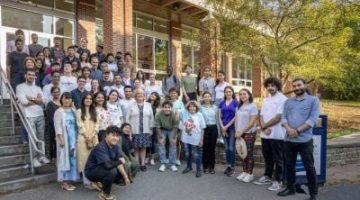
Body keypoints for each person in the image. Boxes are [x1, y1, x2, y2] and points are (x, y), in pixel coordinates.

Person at [278, 78, 320, 200]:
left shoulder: (313, 100)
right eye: (294, 86)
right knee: (290, 166)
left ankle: (313, 194)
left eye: (299, 85)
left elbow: (312, 120)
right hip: (289, 140)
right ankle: (290, 188)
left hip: (305, 140)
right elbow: (283, 118)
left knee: (309, 167)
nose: (296, 88)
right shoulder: (288, 102)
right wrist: (289, 129)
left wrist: (297, 130)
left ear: (305, 85)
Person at [254, 77, 287, 191]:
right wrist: (263, 127)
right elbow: (261, 115)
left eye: (273, 85)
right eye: (268, 86)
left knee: (278, 158)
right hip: (265, 134)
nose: (270, 88)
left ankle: (278, 180)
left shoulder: (283, 99)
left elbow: (278, 118)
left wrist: (264, 126)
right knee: (267, 157)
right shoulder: (266, 99)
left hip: (277, 134)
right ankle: (267, 176)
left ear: (277, 86)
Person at [85, 126, 131, 200]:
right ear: (106, 135)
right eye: (113, 135)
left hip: (100, 168)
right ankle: (104, 194)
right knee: (112, 171)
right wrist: (120, 161)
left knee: (119, 170)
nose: (115, 138)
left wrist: (125, 177)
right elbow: (108, 165)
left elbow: (118, 163)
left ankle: (98, 182)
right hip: (90, 172)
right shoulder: (101, 147)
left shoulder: (115, 147)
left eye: (117, 136)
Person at [16, 69, 49, 166]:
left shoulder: (38, 88)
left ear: (35, 77)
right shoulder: (20, 87)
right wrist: (36, 100)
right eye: (29, 74)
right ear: (25, 76)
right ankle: (34, 158)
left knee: (41, 137)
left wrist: (31, 98)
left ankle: (41, 156)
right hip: (29, 115)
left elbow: (43, 100)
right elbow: (24, 102)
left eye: (33, 75)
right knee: (33, 137)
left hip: (40, 114)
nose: (31, 76)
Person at [54, 92, 79, 191]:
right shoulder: (59, 111)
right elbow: (57, 126)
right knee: (64, 159)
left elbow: (78, 122)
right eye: (65, 98)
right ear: (62, 99)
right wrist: (61, 139)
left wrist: (74, 107)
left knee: (72, 159)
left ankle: (69, 180)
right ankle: (64, 182)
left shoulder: (73, 110)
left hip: (73, 138)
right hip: (64, 138)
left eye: (69, 98)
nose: (67, 100)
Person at [126, 89, 154, 172]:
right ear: (135, 96)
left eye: (141, 94)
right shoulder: (131, 105)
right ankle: (136, 164)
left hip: (145, 129)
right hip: (134, 129)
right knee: (136, 148)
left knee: (143, 147)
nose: (140, 95)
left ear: (144, 96)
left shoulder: (148, 105)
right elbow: (127, 117)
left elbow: (151, 117)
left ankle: (142, 164)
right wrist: (128, 129)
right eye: (138, 94)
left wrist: (151, 128)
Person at [234, 89, 258, 183]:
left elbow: (252, 122)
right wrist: (237, 131)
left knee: (249, 153)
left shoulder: (253, 106)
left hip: (249, 133)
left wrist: (242, 131)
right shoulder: (239, 106)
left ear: (249, 95)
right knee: (242, 153)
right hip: (240, 133)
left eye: (244, 94)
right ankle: (244, 171)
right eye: (240, 94)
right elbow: (236, 119)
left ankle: (250, 174)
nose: (242, 95)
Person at [76, 93, 99, 189]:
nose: (88, 100)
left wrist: (92, 136)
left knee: (94, 160)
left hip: (94, 138)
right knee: (84, 160)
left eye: (90, 98)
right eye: (86, 98)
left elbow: (97, 125)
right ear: (83, 100)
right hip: (83, 138)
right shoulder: (79, 111)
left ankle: (94, 180)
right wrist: (87, 137)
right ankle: (87, 183)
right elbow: (80, 125)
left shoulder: (94, 111)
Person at [181, 101, 206, 178]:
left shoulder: (199, 115)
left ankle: (198, 169)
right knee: (187, 153)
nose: (192, 108)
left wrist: (201, 140)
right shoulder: (185, 114)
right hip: (186, 138)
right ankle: (189, 167)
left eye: (194, 106)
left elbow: (202, 128)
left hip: (196, 138)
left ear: (196, 108)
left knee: (197, 154)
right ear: (188, 108)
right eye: (190, 106)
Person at [218, 86, 238, 176]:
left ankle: (233, 167)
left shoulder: (236, 103)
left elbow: (236, 116)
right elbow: (219, 116)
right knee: (226, 148)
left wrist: (227, 126)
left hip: (232, 128)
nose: (228, 93)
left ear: (232, 93)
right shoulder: (221, 103)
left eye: (230, 92)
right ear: (224, 93)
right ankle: (229, 165)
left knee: (231, 148)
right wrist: (222, 127)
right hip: (223, 128)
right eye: (226, 92)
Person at [155, 100, 179, 172]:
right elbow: (157, 127)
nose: (167, 109)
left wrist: (174, 138)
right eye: (165, 107)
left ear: (171, 108)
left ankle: (172, 164)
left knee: (173, 145)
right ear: (162, 108)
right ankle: (163, 163)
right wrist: (160, 137)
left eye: (169, 107)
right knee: (161, 144)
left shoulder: (174, 114)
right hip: (162, 129)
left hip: (172, 129)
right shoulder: (158, 114)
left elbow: (176, 127)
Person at [200, 92, 218, 174]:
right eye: (205, 97)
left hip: (213, 128)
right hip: (204, 129)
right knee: (205, 148)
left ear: (211, 98)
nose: (207, 98)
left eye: (208, 96)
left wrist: (219, 131)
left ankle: (212, 167)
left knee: (212, 148)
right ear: (203, 98)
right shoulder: (200, 108)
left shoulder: (215, 107)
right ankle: (205, 166)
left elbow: (217, 120)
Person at [168, 88, 185, 166]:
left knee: (178, 142)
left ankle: (177, 158)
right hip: (169, 125)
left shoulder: (180, 103)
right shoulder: (168, 102)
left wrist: (178, 111)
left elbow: (184, 111)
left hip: (178, 125)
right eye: (171, 93)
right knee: (170, 142)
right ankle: (171, 157)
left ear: (177, 94)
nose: (173, 95)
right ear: (169, 94)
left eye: (174, 93)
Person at [45, 86, 61, 162]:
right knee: (54, 145)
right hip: (54, 129)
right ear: (52, 93)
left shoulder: (63, 103)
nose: (56, 93)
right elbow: (51, 119)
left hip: (63, 128)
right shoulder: (50, 104)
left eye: (58, 92)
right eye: (55, 92)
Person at [146, 92, 161, 166]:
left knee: (153, 142)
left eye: (154, 95)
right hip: (146, 125)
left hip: (154, 125)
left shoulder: (158, 105)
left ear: (157, 97)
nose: (152, 95)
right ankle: (147, 156)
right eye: (151, 94)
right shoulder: (146, 103)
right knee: (147, 142)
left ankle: (152, 158)